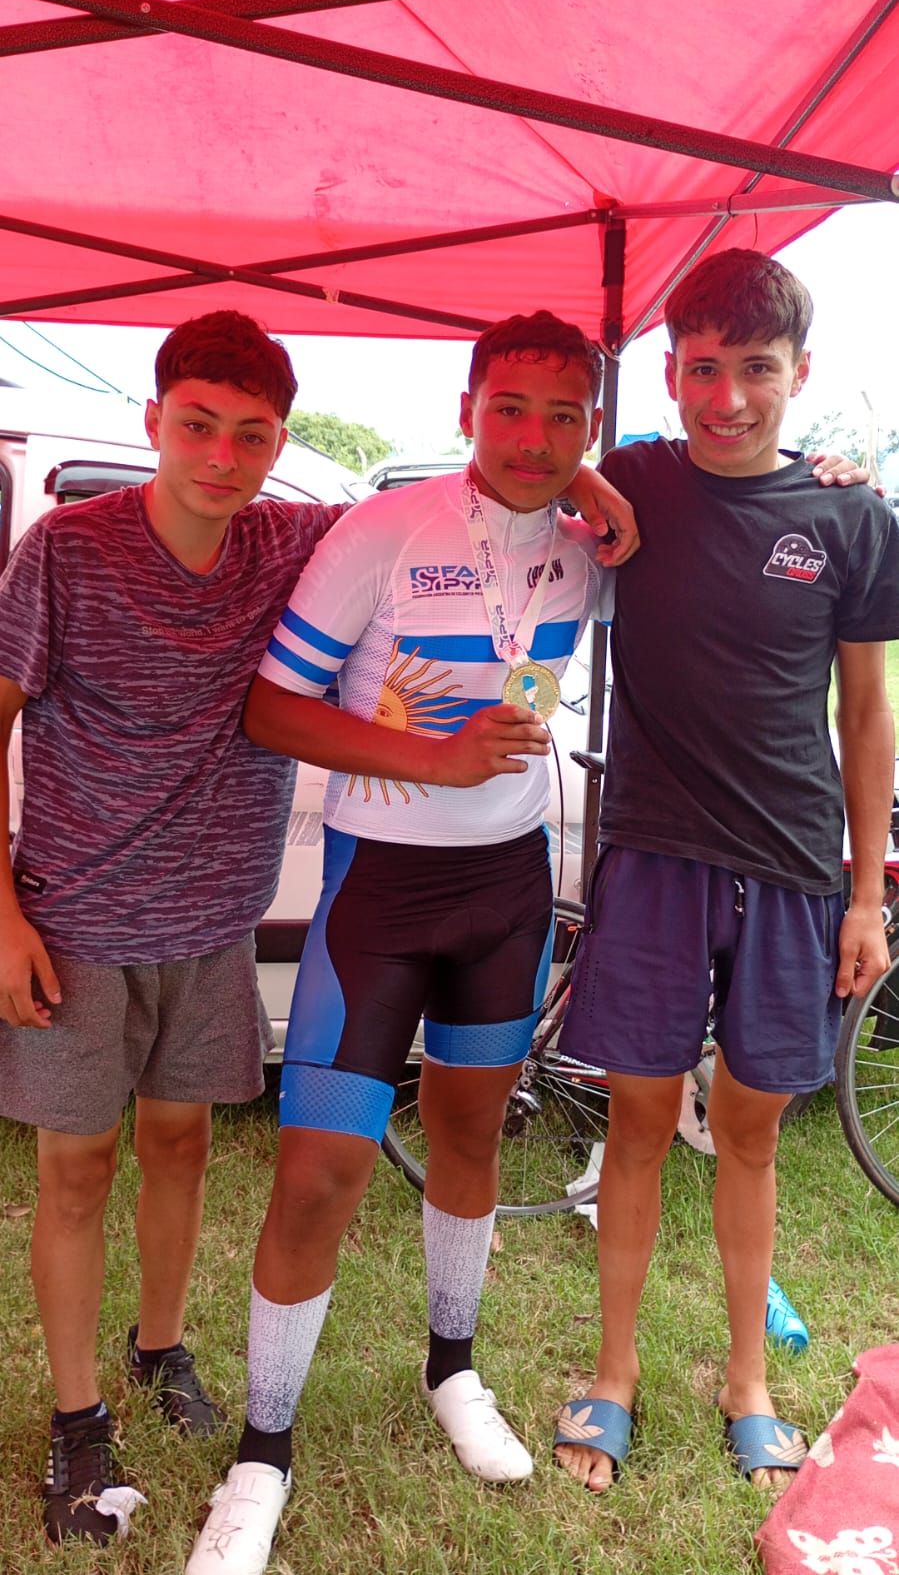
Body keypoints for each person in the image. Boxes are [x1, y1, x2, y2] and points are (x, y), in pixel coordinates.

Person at [183, 309, 639, 1574]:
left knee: (470, 1137)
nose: (533, 438)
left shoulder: (591, 549)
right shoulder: (382, 531)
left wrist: (615, 489)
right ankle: (262, 1451)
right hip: (378, 893)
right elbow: (271, 709)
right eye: (509, 408)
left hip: (507, 887)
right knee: (317, 1174)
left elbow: (692, 505)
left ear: (591, 425)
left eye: (563, 415)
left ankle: (452, 1368)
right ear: (464, 410)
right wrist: (430, 759)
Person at [0, 310, 353, 1547]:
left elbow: (453, 506)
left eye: (250, 434)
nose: (220, 454)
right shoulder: (65, 551)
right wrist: (2, 915)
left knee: (182, 1142)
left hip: (212, 921)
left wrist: (590, 481)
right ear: (154, 421)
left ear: (277, 444)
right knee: (76, 1167)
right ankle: (76, 1415)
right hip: (78, 919)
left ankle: (157, 1346)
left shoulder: (289, 539)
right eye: (196, 424)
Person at [551, 248, 899, 1497]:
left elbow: (865, 714)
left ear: (799, 371)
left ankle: (746, 1380)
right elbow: (519, 452)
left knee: (746, 1134)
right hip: (654, 858)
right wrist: (582, 471)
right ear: (668, 372)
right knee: (640, 1124)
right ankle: (613, 1372)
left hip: (793, 870)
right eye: (702, 369)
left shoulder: (849, 518)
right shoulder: (636, 478)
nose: (728, 398)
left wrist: (865, 897)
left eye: (756, 368)